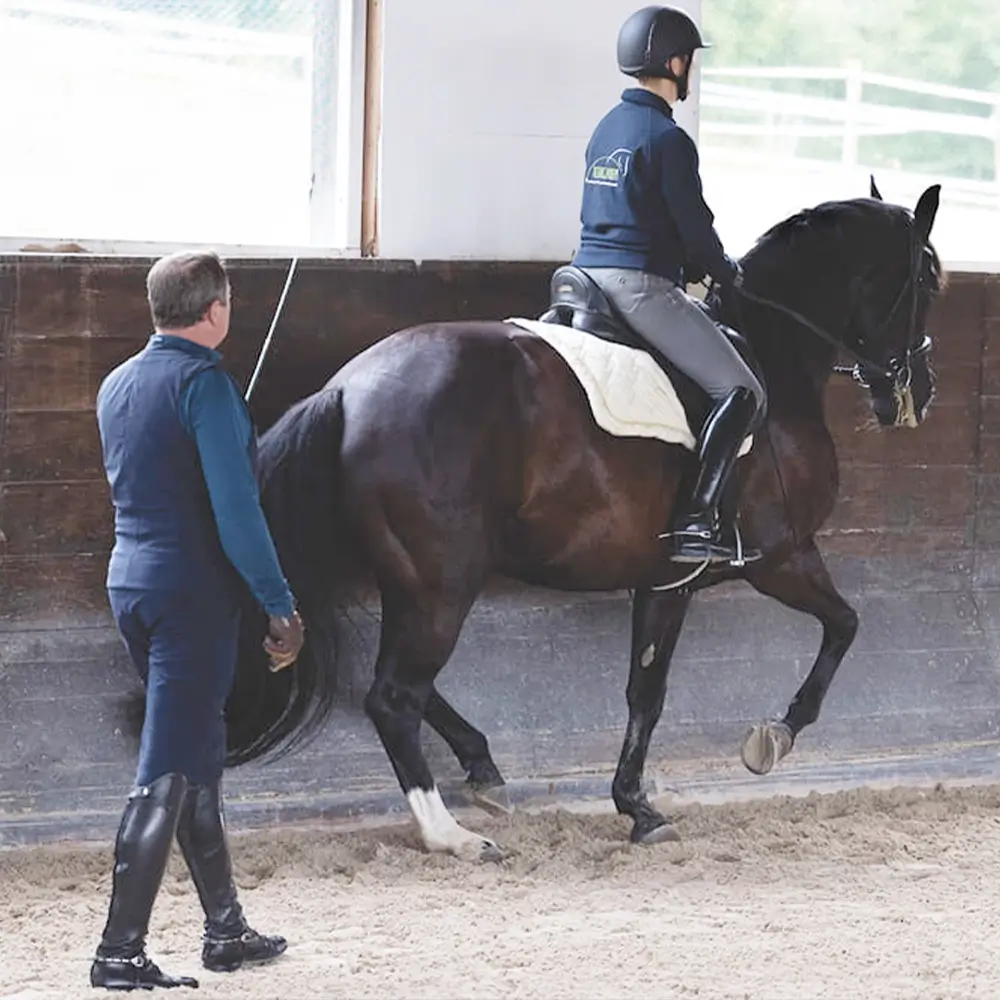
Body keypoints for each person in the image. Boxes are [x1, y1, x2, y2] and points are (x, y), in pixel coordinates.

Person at [90, 250, 305, 991]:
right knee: (167, 768)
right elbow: (237, 513)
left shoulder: (118, 382)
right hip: (190, 594)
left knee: (193, 756)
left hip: (132, 581)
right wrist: (278, 602)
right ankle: (119, 951)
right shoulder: (205, 386)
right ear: (214, 310)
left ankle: (226, 929)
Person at [572, 5, 766, 566]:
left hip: (582, 277)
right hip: (637, 286)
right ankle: (697, 522)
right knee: (742, 391)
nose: (691, 72)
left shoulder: (607, 127)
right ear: (675, 63)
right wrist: (725, 271)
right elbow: (694, 231)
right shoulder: (668, 138)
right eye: (690, 62)